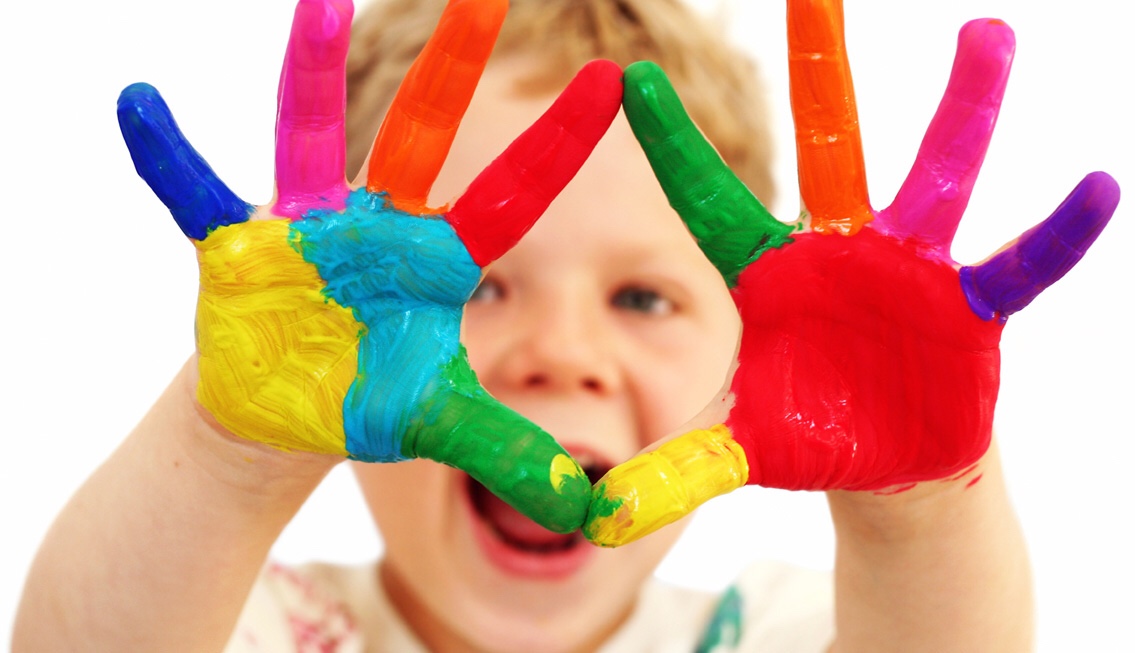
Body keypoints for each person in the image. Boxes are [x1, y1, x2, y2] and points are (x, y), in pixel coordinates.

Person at [11, 0, 1116, 652]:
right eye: (479, 287)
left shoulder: (768, 628)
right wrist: (231, 455)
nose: (563, 354)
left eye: (642, 298)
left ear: (744, 352)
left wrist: (917, 506)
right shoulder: (253, 624)